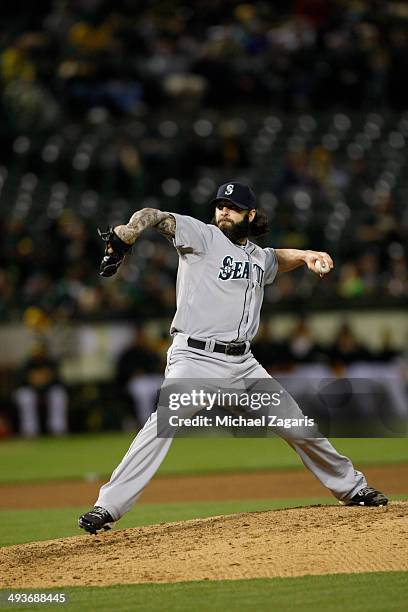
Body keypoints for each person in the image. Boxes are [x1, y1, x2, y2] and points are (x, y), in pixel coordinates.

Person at [78, 181, 387, 534]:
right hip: (196, 359)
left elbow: (275, 259)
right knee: (162, 425)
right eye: (220, 205)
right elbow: (153, 216)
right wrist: (128, 233)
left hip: (244, 365)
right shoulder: (203, 236)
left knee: (299, 426)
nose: (224, 211)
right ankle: (107, 506)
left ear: (250, 214)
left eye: (233, 207)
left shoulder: (257, 257)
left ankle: (351, 488)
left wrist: (303, 256)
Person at [14, 340, 68, 437]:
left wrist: (45, 383)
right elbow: (20, 382)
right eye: (36, 351)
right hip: (31, 391)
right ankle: (30, 430)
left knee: (58, 394)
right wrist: (34, 383)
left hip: (48, 390)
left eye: (41, 350)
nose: (39, 353)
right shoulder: (27, 364)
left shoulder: (51, 363)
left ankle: (58, 429)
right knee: (25, 396)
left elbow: (59, 381)